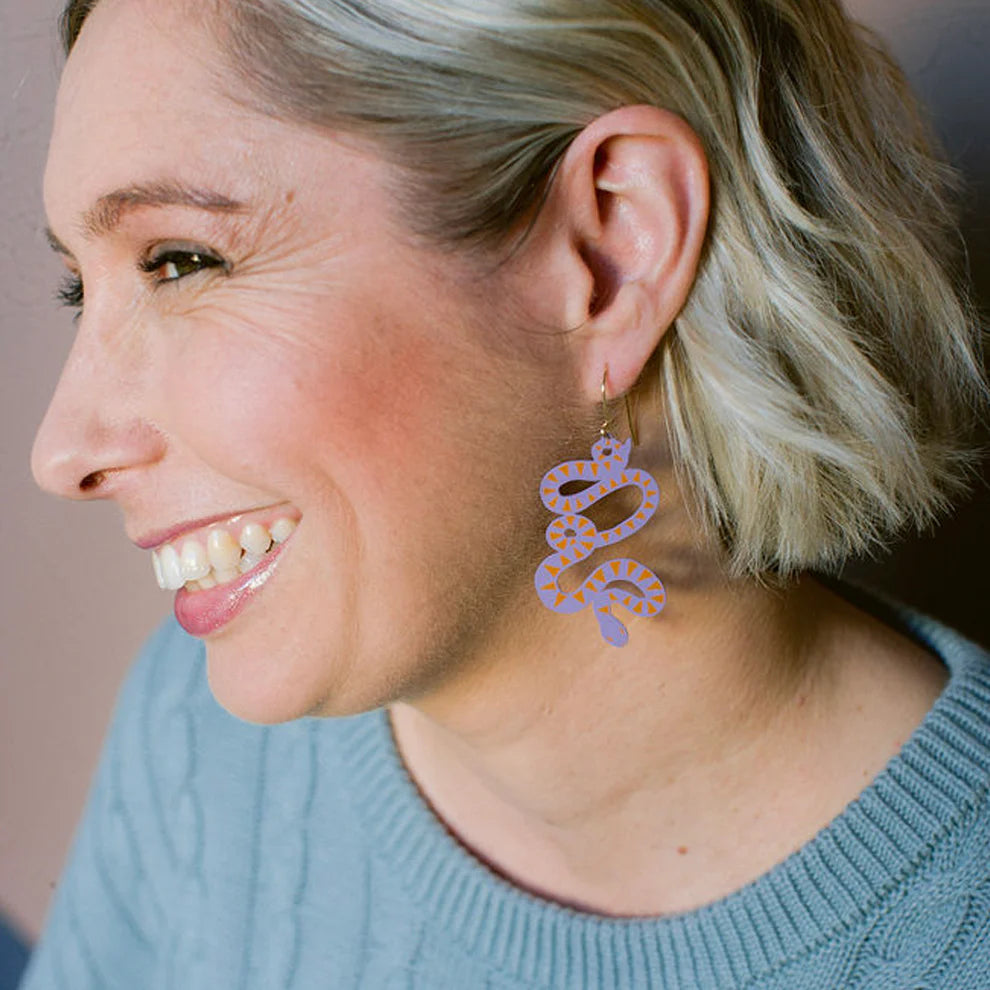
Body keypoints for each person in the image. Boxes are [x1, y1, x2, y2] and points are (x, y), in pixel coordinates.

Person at [20, 0, 990, 987]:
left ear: (613, 249)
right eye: (79, 289)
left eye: (180, 262)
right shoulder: (201, 736)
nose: (61, 452)